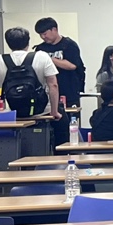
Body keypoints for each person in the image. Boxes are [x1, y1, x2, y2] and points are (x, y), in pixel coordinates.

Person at [0, 27, 60, 120]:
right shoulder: (42, 56)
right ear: (28, 41)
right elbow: (53, 85)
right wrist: (54, 111)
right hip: (41, 113)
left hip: (13, 114)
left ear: (8, 43)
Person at [34, 17, 84, 145]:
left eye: (45, 33)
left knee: (69, 128)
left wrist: (49, 59)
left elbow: (72, 65)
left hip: (69, 93)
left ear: (54, 30)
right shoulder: (40, 48)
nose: (43, 37)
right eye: (40, 35)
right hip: (47, 95)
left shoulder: (69, 45)